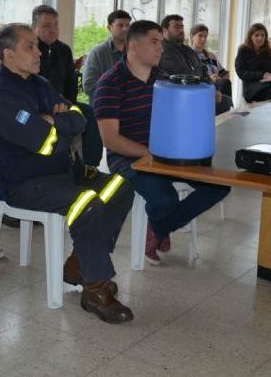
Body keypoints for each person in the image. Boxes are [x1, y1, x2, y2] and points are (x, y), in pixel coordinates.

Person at [0, 23, 134, 323]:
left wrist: (51, 121)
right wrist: (55, 126)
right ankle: (96, 289)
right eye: (30, 47)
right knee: (86, 203)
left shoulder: (36, 82)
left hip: (62, 173)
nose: (39, 52)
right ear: (9, 54)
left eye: (37, 45)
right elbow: (46, 143)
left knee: (121, 186)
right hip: (25, 184)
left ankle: (79, 264)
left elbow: (78, 116)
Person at [94, 20, 230, 265]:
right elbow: (110, 140)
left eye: (161, 42)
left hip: (166, 154)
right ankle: (161, 224)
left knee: (219, 186)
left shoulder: (163, 79)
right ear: (133, 46)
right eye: (154, 42)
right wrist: (150, 153)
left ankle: (159, 227)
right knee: (165, 199)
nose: (161, 48)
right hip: (129, 159)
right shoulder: (110, 83)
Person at [32, 5, 102, 168]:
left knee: (90, 114)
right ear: (35, 28)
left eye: (55, 25)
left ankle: (90, 166)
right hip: (38, 107)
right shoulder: (31, 51)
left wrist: (67, 104)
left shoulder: (63, 50)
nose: (53, 30)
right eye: (47, 26)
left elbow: (71, 83)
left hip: (64, 103)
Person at [158, 14, 231, 114]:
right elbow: (183, 75)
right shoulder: (162, 50)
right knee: (225, 102)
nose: (181, 30)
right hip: (180, 96)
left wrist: (212, 90)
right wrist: (207, 91)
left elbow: (203, 71)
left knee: (224, 99)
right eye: (176, 27)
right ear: (164, 31)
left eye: (182, 27)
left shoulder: (187, 50)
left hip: (195, 92)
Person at [234, 23, 271, 103]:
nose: (260, 38)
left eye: (262, 35)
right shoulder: (243, 50)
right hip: (252, 87)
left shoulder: (270, 52)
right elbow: (241, 73)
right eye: (256, 35)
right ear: (251, 36)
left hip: (270, 84)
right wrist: (261, 75)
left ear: (265, 37)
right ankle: (269, 108)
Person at [82, 9, 131, 99]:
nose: (125, 29)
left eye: (128, 25)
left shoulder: (134, 52)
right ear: (109, 28)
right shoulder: (97, 53)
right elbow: (89, 86)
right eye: (120, 25)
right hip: (103, 106)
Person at [190, 23, 232, 100]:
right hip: (202, 85)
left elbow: (223, 72)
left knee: (225, 82)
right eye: (200, 35)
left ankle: (226, 107)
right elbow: (191, 75)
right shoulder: (189, 55)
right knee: (224, 83)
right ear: (192, 37)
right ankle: (227, 109)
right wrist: (209, 78)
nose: (203, 39)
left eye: (205, 36)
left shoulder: (211, 56)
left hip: (217, 84)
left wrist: (222, 76)